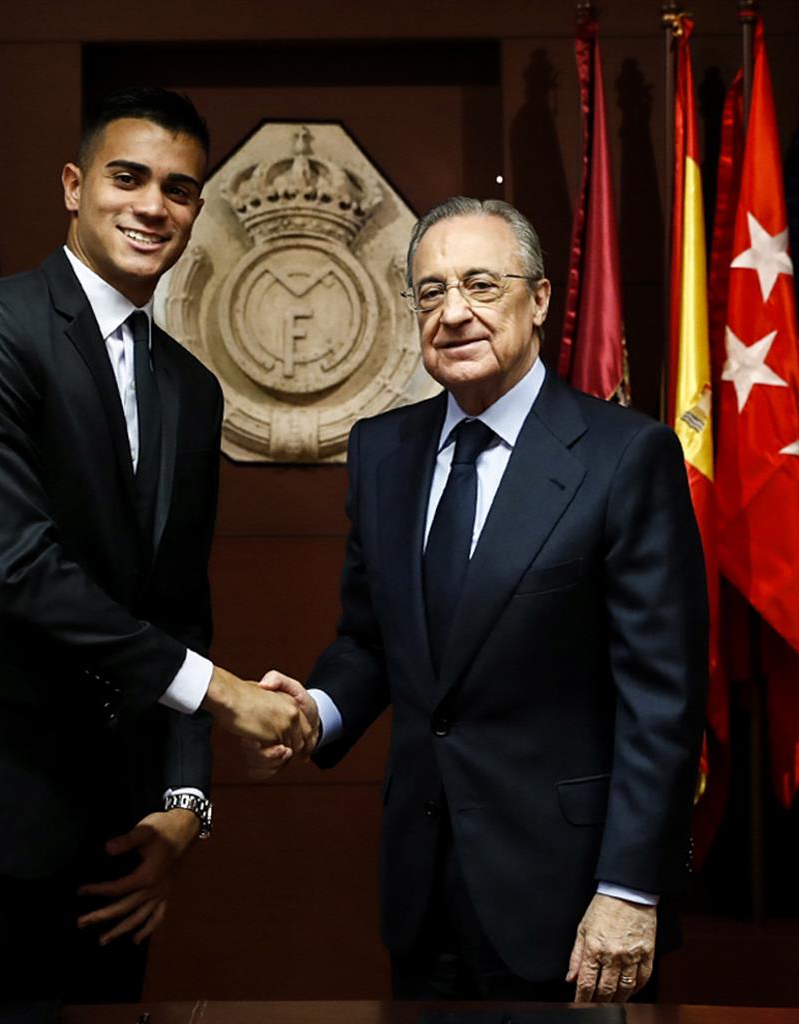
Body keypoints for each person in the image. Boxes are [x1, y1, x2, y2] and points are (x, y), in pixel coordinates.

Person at [0, 87, 312, 1008]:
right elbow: (19, 572)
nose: (153, 206)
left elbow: (177, 609)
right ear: (74, 186)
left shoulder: (191, 390)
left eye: (178, 189)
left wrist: (184, 804)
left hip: (114, 839)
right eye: (128, 178)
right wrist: (226, 695)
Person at [249, 197, 708, 1004]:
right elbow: (371, 639)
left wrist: (630, 889)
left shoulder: (626, 456)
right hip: (421, 891)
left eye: (481, 285)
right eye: (430, 292)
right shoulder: (381, 451)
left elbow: (662, 696)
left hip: (572, 901)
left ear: (539, 300)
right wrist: (318, 709)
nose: (453, 312)